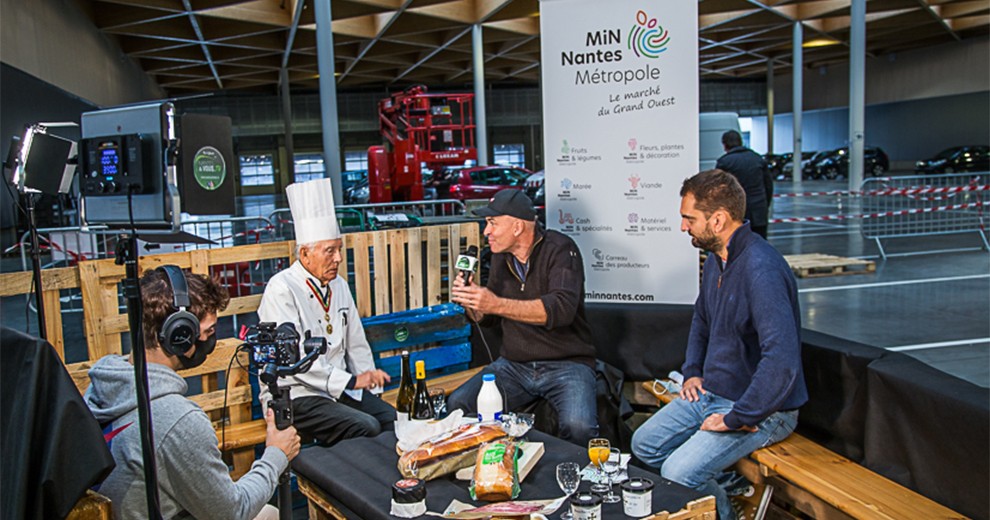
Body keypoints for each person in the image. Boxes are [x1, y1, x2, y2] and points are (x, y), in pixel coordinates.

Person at [631, 169, 807, 520]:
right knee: (644, 444)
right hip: (713, 392)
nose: (683, 227)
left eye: (689, 218)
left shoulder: (762, 270)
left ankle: (725, 514)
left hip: (764, 411)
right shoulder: (717, 260)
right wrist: (693, 370)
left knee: (678, 473)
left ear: (719, 219)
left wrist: (738, 417)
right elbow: (702, 319)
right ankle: (724, 490)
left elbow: (782, 361)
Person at [85, 267, 300, 520]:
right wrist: (276, 454)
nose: (212, 340)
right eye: (208, 331)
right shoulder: (177, 420)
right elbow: (233, 512)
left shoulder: (104, 386)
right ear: (179, 335)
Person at [447, 189, 598, 444]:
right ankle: (486, 469)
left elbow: (560, 310)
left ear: (517, 226)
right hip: (514, 366)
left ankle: (574, 478)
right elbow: (490, 318)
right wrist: (471, 301)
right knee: (458, 404)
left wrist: (495, 303)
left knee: (579, 426)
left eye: (493, 223)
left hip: (567, 364)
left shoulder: (561, 249)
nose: (486, 231)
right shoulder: (499, 258)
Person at [258, 178, 393, 446]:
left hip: (339, 389)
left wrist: (371, 387)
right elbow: (293, 360)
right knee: (365, 426)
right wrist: (353, 381)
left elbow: (356, 342)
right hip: (295, 394)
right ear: (305, 254)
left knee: (392, 420)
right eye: (330, 251)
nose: (339, 259)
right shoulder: (281, 288)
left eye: (339, 250)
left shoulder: (339, 286)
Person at [715, 130, 774, 238]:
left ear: (725, 144)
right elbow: (768, 186)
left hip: (737, 213)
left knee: (739, 245)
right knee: (760, 244)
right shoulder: (757, 159)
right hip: (759, 211)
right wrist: (765, 205)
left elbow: (720, 190)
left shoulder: (725, 162)